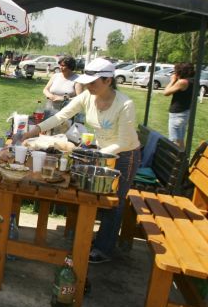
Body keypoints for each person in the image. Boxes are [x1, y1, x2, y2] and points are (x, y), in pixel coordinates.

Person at [21, 58, 140, 264]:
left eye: (93, 83)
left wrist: (92, 156)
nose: (88, 86)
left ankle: (104, 249)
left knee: (114, 202)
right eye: (87, 82)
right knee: (94, 197)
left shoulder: (125, 104)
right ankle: (90, 239)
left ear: (108, 81)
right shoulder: (87, 96)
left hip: (125, 157)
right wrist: (34, 130)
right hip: (102, 153)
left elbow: (123, 142)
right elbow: (61, 116)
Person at [162, 62, 196, 149]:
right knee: (180, 140)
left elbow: (165, 93)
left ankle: (176, 161)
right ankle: (182, 160)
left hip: (177, 114)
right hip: (185, 113)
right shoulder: (192, 81)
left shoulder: (182, 82)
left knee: (174, 141)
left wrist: (173, 80)